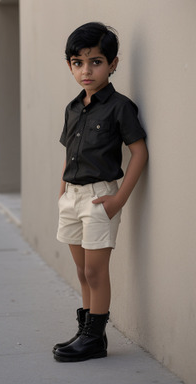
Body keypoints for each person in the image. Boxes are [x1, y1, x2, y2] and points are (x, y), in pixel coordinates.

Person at [53, 22, 148, 362]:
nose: (86, 70)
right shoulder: (73, 108)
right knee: (81, 272)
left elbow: (139, 152)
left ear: (113, 64)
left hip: (99, 198)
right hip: (72, 198)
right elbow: (69, 153)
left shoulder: (120, 106)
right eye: (78, 62)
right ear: (70, 66)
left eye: (95, 61)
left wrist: (119, 198)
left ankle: (95, 337)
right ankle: (86, 332)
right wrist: (62, 191)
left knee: (95, 271)